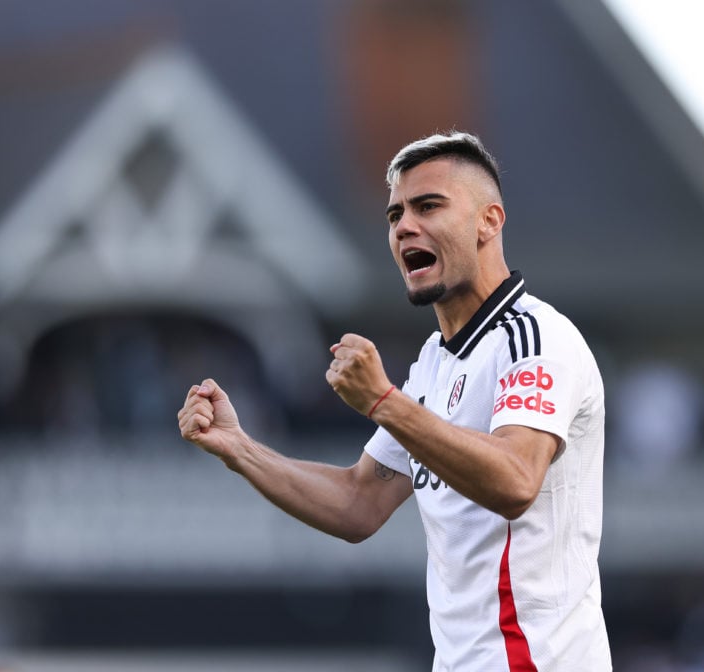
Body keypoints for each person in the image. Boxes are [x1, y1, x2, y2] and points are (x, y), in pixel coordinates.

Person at [178, 131, 611, 671]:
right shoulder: (434, 361)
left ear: (489, 222)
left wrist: (383, 400)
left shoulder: (536, 339)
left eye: (429, 206)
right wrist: (239, 449)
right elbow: (359, 502)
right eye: (395, 215)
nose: (405, 225)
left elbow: (516, 481)